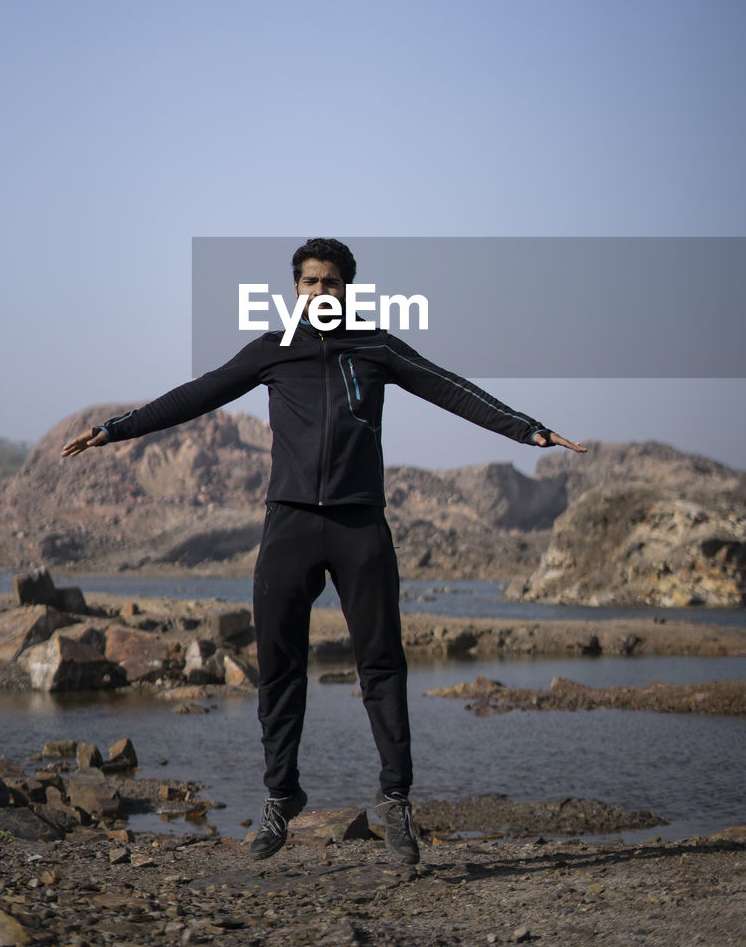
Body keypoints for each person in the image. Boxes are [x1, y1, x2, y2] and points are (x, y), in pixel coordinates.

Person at [62, 237, 586, 864]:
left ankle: (396, 801)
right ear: (295, 290)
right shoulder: (271, 352)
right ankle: (281, 798)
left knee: (382, 664)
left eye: (330, 282)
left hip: (360, 526)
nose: (319, 293)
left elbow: (452, 389)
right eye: (308, 282)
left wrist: (528, 428)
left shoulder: (377, 347)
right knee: (280, 666)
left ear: (347, 291)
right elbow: (195, 394)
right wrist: (114, 430)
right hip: (288, 526)